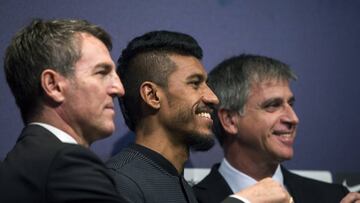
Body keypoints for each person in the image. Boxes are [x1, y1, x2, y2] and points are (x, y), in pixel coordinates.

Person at [106, 31, 293, 203]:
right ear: (153, 96)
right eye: (195, 84)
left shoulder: (183, 187)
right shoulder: (117, 182)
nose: (213, 98)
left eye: (207, 84)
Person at [193, 54, 355, 203]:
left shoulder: (333, 197)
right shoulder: (192, 200)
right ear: (230, 121)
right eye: (273, 105)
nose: (293, 118)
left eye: (290, 104)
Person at [0, 19, 129, 203]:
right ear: (53, 86)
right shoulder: (66, 163)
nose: (119, 89)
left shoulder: (19, 165)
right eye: (101, 72)